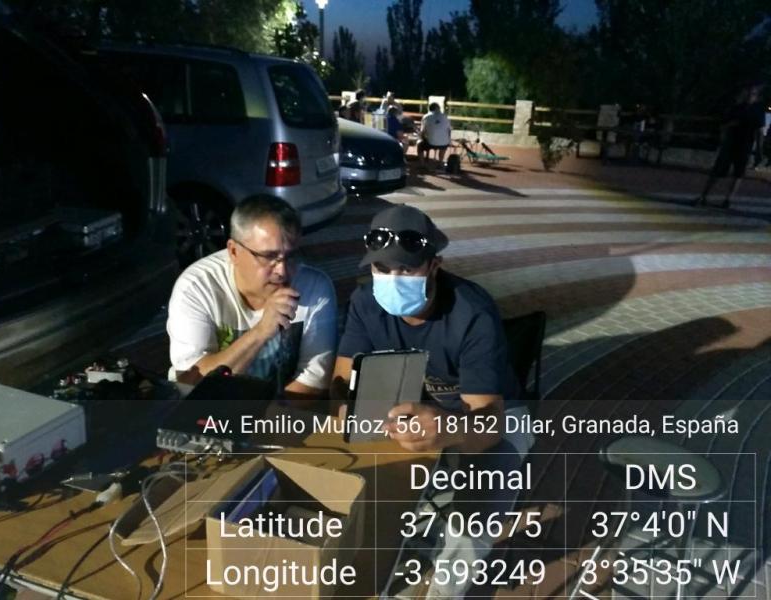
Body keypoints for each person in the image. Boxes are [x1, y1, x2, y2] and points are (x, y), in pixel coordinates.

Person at [332, 204, 532, 598]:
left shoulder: (472, 312)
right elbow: (341, 378)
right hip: (408, 404)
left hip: (493, 412)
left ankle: (445, 591)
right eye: (381, 268)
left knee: (479, 502)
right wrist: (346, 408)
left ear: (434, 265)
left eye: (407, 270)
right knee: (365, 482)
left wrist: (448, 430)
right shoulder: (365, 302)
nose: (392, 279)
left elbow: (489, 424)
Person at [167, 195, 337, 402]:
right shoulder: (197, 287)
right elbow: (189, 382)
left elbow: (314, 382)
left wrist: (262, 417)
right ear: (234, 252)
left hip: (277, 413)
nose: (282, 271)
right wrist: (260, 332)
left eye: (291, 256)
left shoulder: (314, 288)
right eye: (269, 257)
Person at [694, 83, 766, 209]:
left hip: (745, 144)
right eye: (749, 94)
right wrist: (728, 128)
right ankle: (704, 195)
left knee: (738, 173)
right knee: (718, 170)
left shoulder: (758, 111)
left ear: (757, 97)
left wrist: (759, 149)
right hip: (731, 142)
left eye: (753, 94)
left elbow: (759, 131)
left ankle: (728, 199)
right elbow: (724, 124)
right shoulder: (737, 108)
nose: (750, 96)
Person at [417, 102, 452, 166]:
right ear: (438, 108)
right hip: (444, 143)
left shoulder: (426, 117)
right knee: (443, 146)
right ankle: (440, 162)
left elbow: (422, 131)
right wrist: (449, 140)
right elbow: (449, 130)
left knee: (419, 145)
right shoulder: (445, 116)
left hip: (431, 142)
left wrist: (422, 137)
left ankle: (422, 164)